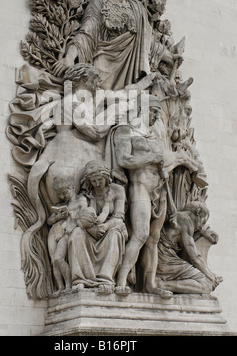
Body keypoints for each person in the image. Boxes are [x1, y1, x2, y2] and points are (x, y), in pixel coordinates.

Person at [53, 0, 181, 91]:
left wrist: (170, 58)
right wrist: (69, 57)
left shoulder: (137, 8)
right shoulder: (99, 3)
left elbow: (148, 43)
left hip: (130, 71)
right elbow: (86, 34)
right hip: (102, 67)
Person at [112, 95, 172, 297]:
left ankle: (150, 283)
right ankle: (120, 279)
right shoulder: (125, 130)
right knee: (141, 234)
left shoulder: (154, 137)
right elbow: (123, 159)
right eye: (154, 111)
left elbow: (160, 160)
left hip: (159, 190)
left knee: (154, 239)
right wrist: (150, 158)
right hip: (139, 187)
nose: (156, 117)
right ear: (142, 109)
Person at [68, 160, 128, 294]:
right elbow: (81, 217)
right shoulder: (87, 195)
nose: (97, 184)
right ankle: (81, 280)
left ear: (106, 178)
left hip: (111, 227)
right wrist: (90, 228)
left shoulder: (118, 190)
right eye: (93, 181)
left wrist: (105, 226)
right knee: (77, 233)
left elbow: (119, 217)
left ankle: (106, 279)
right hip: (91, 231)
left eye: (100, 179)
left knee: (114, 235)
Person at [156, 201, 223, 294]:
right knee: (206, 285)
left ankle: (162, 284)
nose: (200, 226)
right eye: (203, 221)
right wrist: (211, 277)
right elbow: (195, 256)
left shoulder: (181, 219)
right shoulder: (186, 220)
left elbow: (184, 243)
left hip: (162, 260)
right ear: (198, 213)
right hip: (165, 262)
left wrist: (202, 233)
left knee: (205, 282)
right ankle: (161, 284)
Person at [47, 176, 87, 295]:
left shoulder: (81, 200)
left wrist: (72, 220)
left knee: (59, 258)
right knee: (54, 261)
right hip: (57, 230)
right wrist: (58, 216)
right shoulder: (61, 204)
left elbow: (83, 216)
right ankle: (60, 287)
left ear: (73, 188)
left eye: (65, 193)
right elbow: (49, 221)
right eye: (60, 194)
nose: (63, 196)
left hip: (68, 232)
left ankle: (69, 285)